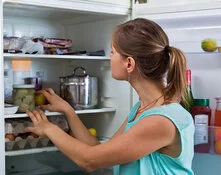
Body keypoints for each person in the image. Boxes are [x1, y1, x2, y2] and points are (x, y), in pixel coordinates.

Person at [25, 18, 195, 175]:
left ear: (129, 63)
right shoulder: (143, 109)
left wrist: (48, 128)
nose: (109, 57)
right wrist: (68, 111)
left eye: (113, 52)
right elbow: (99, 151)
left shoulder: (161, 121)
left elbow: (89, 160)